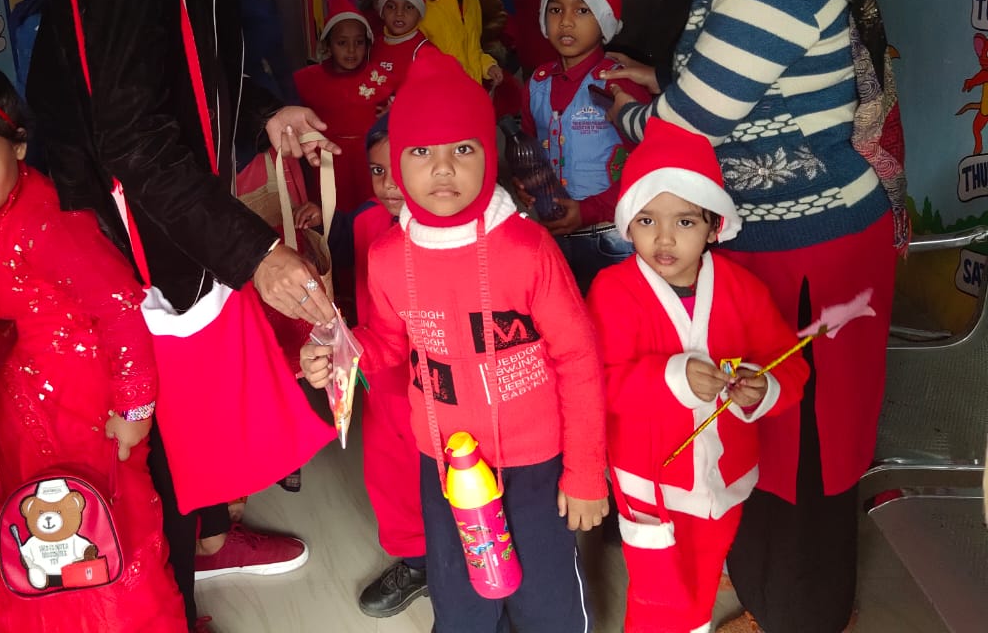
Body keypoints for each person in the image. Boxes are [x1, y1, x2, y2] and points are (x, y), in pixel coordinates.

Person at [27, 0, 337, 626]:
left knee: (185, 437)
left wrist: (264, 114)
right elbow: (128, 128)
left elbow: (201, 56)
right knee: (149, 451)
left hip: (167, 195)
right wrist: (254, 252)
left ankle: (188, 573)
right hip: (118, 221)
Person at [603, 0, 904, 633]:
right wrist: (660, 81)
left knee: (807, 449)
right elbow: (725, 82)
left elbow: (693, 120)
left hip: (814, 244)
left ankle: (807, 615)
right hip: (765, 239)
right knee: (760, 426)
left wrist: (627, 112)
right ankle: (774, 607)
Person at [303, 49, 608, 633]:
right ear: (397, 161)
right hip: (443, 457)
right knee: (462, 601)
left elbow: (578, 356)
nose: (442, 169)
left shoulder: (527, 249)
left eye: (462, 150)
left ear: (489, 155)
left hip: (534, 462)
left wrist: (587, 471)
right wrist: (341, 354)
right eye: (421, 152)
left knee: (547, 602)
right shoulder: (388, 257)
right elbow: (389, 342)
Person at [0, 61, 186, 632]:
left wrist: (134, 411)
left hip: (81, 420)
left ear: (18, 146)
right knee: (14, 537)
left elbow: (120, 309)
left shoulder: (49, 220)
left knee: (92, 530)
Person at [588, 118, 809, 633]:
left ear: (714, 227)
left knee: (703, 582)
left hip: (724, 480)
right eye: (647, 220)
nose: (664, 238)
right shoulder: (612, 292)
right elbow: (598, 383)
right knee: (657, 596)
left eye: (685, 222)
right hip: (648, 483)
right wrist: (674, 379)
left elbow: (789, 362)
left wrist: (764, 387)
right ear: (627, 224)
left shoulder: (742, 289)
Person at [519, 0, 650, 293]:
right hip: (555, 237)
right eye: (555, 9)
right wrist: (528, 183)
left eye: (582, 10)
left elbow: (646, 163)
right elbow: (530, 147)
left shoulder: (619, 83)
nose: (566, 22)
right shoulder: (537, 83)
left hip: (612, 236)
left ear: (604, 20)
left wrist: (590, 209)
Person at [349, 114, 429, 618]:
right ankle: (418, 563)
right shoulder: (364, 222)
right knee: (391, 474)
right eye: (378, 171)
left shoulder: (466, 233)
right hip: (385, 379)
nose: (389, 185)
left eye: (400, 169)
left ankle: (471, 562)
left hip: (446, 387)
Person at [294, 0, 385, 213]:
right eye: (342, 43)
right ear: (328, 45)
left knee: (371, 212)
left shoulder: (379, 77)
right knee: (332, 212)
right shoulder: (308, 80)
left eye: (359, 42)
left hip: (368, 160)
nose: (351, 50)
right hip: (329, 162)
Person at [371, 0, 430, 103]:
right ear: (382, 11)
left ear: (420, 14)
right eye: (391, 6)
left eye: (409, 7)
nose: (399, 13)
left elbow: (430, 97)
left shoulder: (424, 51)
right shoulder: (373, 46)